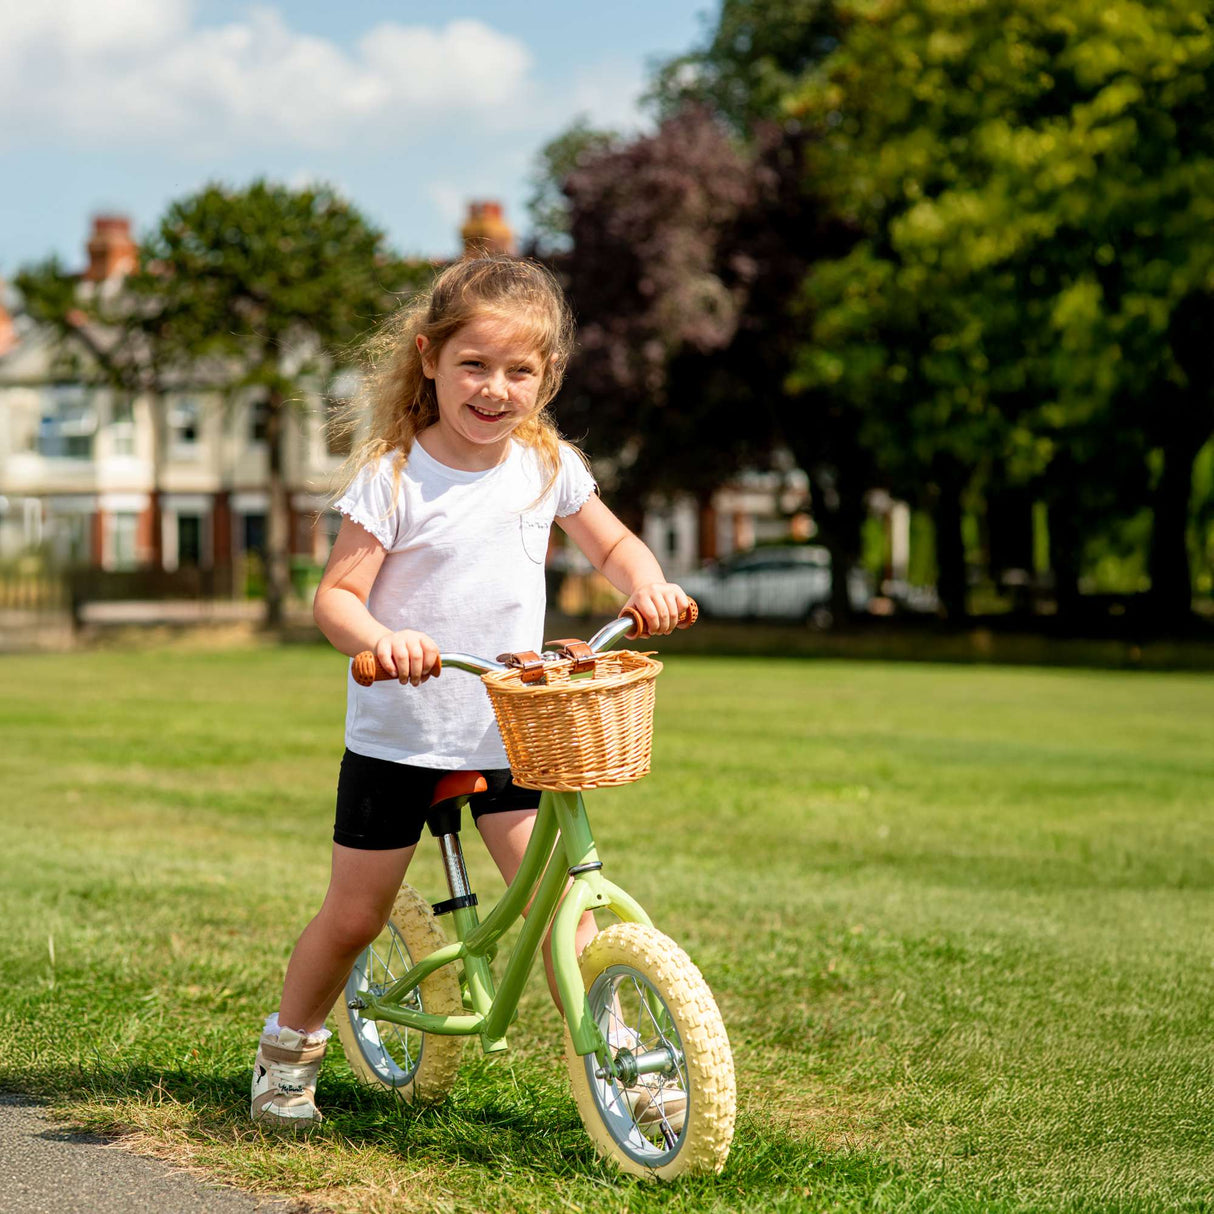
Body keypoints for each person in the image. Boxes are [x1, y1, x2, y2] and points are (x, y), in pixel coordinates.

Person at [251, 255, 691, 1126]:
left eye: (518, 371)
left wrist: (646, 582)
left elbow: (612, 546)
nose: (494, 389)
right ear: (429, 360)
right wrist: (383, 639)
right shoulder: (396, 476)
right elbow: (335, 598)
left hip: (509, 733)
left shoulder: (545, 466)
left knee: (567, 903)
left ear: (548, 376)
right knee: (355, 913)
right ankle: (287, 1053)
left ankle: (629, 1070)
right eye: (474, 366)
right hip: (400, 736)